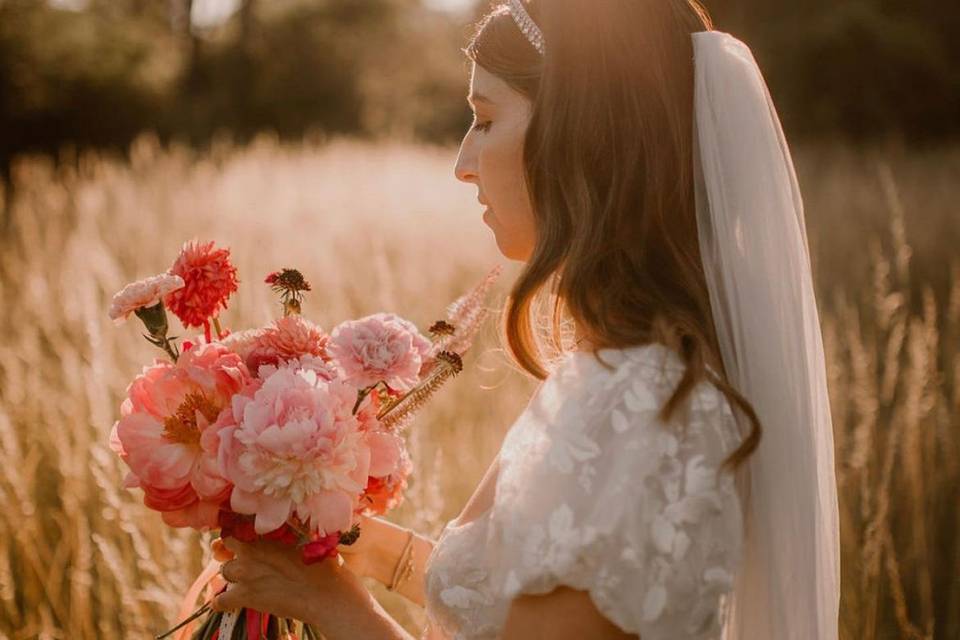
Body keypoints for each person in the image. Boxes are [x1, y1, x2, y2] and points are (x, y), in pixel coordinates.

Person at [207, 1, 841, 638]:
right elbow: (535, 598)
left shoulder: (634, 399)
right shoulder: (637, 374)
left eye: (485, 120)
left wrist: (334, 608)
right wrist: (363, 545)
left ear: (581, 136)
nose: (463, 162)